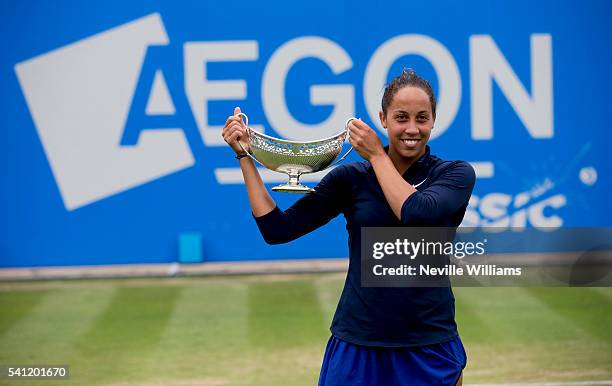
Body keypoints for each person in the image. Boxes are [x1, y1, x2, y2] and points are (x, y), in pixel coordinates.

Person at [222, 69, 475, 386]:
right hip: (358, 343)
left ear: (434, 120)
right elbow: (277, 230)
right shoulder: (351, 179)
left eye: (422, 118)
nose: (412, 128)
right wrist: (244, 156)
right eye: (401, 117)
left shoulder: (454, 175)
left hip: (428, 344)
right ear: (383, 119)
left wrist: (375, 155)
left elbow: (417, 215)